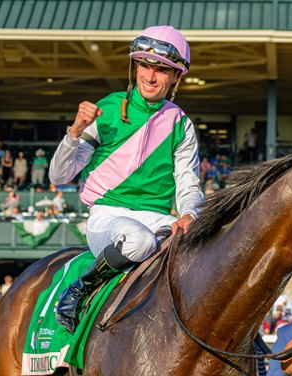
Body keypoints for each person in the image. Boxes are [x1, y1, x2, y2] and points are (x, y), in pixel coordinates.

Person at [48, 25, 203, 333]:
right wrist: (75, 131)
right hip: (108, 217)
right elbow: (60, 175)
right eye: (145, 66)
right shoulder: (105, 109)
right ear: (135, 67)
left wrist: (189, 214)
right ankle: (78, 289)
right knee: (139, 241)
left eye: (162, 70)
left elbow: (188, 181)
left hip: (157, 218)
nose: (150, 77)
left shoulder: (182, 124)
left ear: (176, 77)